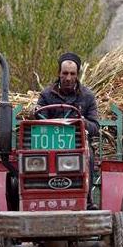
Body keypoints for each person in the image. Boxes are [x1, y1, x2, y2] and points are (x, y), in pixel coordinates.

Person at [36, 52, 100, 209]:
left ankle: (88, 199)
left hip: (78, 144)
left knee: (89, 155)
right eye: (65, 73)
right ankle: (39, 195)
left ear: (77, 75)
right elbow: (39, 119)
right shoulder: (46, 95)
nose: (68, 78)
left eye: (72, 74)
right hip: (50, 144)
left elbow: (95, 127)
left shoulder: (87, 97)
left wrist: (82, 122)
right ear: (59, 73)